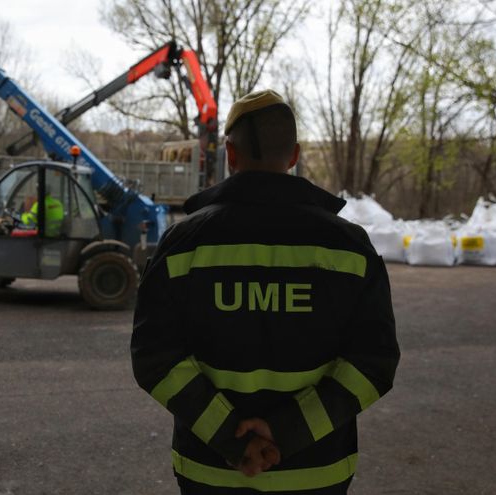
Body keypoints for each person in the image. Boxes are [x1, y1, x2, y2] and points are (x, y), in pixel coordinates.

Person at [131, 89, 399, 494]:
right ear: (294, 155)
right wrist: (284, 432)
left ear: (230, 155)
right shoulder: (350, 248)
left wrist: (231, 438)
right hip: (317, 473)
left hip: (212, 471)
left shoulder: (182, 245)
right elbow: (373, 364)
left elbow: (156, 360)